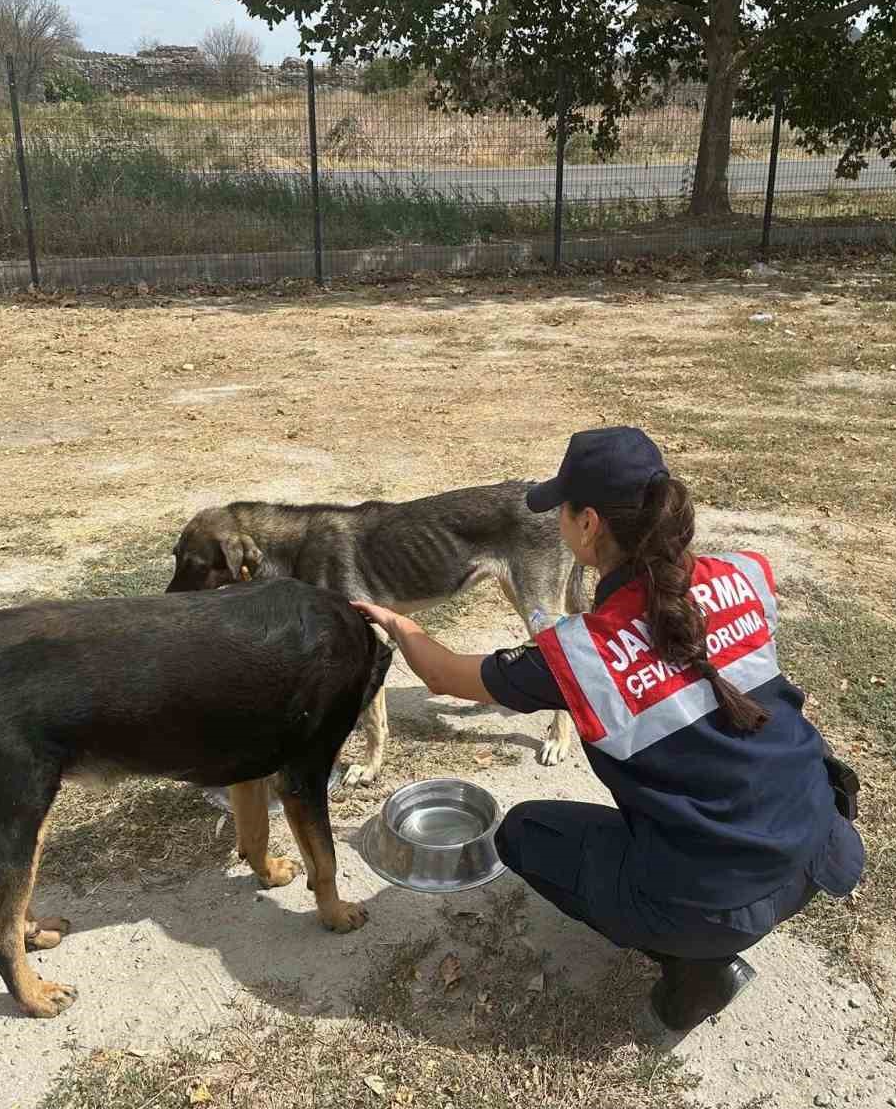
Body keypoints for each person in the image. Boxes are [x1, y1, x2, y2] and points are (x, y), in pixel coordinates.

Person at [352, 426, 864, 1034]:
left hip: (725, 894)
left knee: (524, 833)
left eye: (561, 513)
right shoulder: (746, 574)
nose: (559, 526)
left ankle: (696, 966)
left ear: (588, 524)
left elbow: (439, 674)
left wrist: (394, 621)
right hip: (824, 839)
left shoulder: (582, 654)